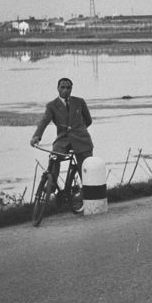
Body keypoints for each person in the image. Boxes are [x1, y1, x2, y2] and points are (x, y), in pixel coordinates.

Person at [30, 77, 93, 212]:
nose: (65, 90)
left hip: (81, 139)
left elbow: (88, 120)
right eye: (62, 87)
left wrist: (79, 130)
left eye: (68, 87)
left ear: (72, 89)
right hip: (63, 140)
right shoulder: (52, 105)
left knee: (87, 168)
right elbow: (44, 121)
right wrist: (36, 136)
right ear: (57, 88)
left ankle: (88, 195)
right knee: (54, 157)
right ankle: (51, 184)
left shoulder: (79, 102)